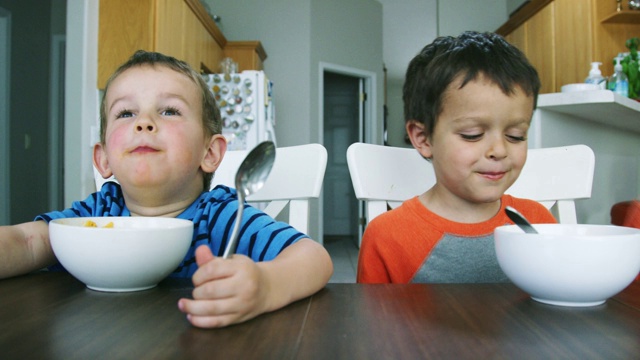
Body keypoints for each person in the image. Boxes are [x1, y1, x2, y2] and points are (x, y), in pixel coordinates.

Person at [0, 50, 333, 328]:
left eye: (169, 110)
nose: (144, 122)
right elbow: (28, 243)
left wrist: (265, 287)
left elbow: (314, 258)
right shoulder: (98, 213)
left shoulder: (220, 216)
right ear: (103, 159)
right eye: (126, 112)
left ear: (210, 153)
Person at [357, 31, 556, 284]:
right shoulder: (386, 237)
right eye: (472, 134)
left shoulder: (538, 222)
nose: (500, 150)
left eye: (516, 135)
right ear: (423, 138)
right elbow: (373, 322)